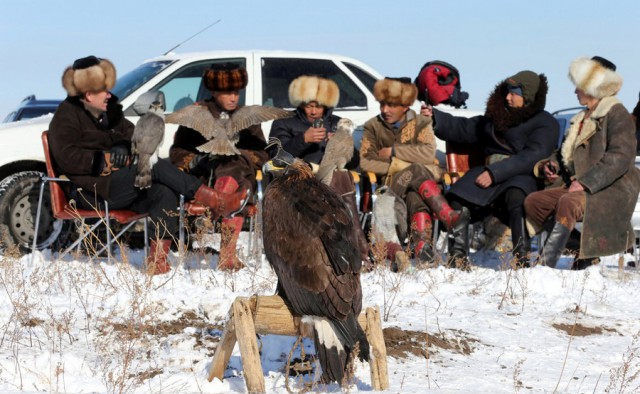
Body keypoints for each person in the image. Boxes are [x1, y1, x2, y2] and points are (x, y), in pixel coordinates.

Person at [48, 56, 247, 275]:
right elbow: (66, 157)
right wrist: (105, 158)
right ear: (88, 93)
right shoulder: (65, 116)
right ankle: (216, 200)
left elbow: (134, 135)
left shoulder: (110, 113)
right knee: (154, 166)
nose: (108, 95)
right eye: (103, 90)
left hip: (121, 184)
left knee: (164, 190)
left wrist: (125, 147)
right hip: (91, 190)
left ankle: (157, 261)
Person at [422, 70, 558, 269]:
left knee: (516, 197)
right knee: (460, 196)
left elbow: (532, 156)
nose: (508, 97)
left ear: (527, 96)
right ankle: (458, 257)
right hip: (490, 170)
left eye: (514, 93)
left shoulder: (545, 122)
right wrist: (437, 118)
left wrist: (495, 173)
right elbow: (466, 127)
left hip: (521, 174)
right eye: (507, 92)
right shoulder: (497, 116)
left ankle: (521, 259)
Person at [524, 56, 640, 269]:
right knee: (534, 202)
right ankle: (583, 252)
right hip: (579, 186)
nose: (575, 91)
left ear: (591, 87)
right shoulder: (580, 118)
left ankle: (545, 266)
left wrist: (586, 182)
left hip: (608, 189)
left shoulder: (616, 114)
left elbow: (621, 156)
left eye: (579, 86)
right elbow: (562, 154)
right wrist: (552, 166)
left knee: (568, 203)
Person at [359, 77, 469, 268]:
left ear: (405, 105)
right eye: (382, 104)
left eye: (391, 105)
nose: (385, 110)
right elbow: (365, 161)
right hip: (391, 186)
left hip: (416, 186)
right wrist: (397, 166)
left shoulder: (421, 123)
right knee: (417, 168)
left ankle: (422, 249)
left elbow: (428, 153)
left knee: (415, 195)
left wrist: (394, 152)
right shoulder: (373, 126)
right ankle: (448, 217)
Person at [170, 62, 269, 271]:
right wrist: (196, 160)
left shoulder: (247, 116)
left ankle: (222, 204)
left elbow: (262, 153)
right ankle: (227, 254)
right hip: (206, 182)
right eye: (227, 92)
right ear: (214, 92)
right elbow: (177, 152)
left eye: (236, 92)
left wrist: (239, 154)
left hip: (240, 179)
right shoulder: (198, 113)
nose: (234, 97)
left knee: (233, 163)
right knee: (232, 171)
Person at [268, 75, 368, 259]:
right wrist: (302, 140)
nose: (313, 111)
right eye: (308, 105)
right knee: (339, 182)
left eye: (318, 105)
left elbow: (355, 163)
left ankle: (354, 249)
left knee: (341, 177)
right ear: (300, 103)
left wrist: (341, 144)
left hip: (331, 180)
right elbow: (275, 156)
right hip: (297, 178)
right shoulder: (284, 121)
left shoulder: (338, 123)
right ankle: (358, 249)